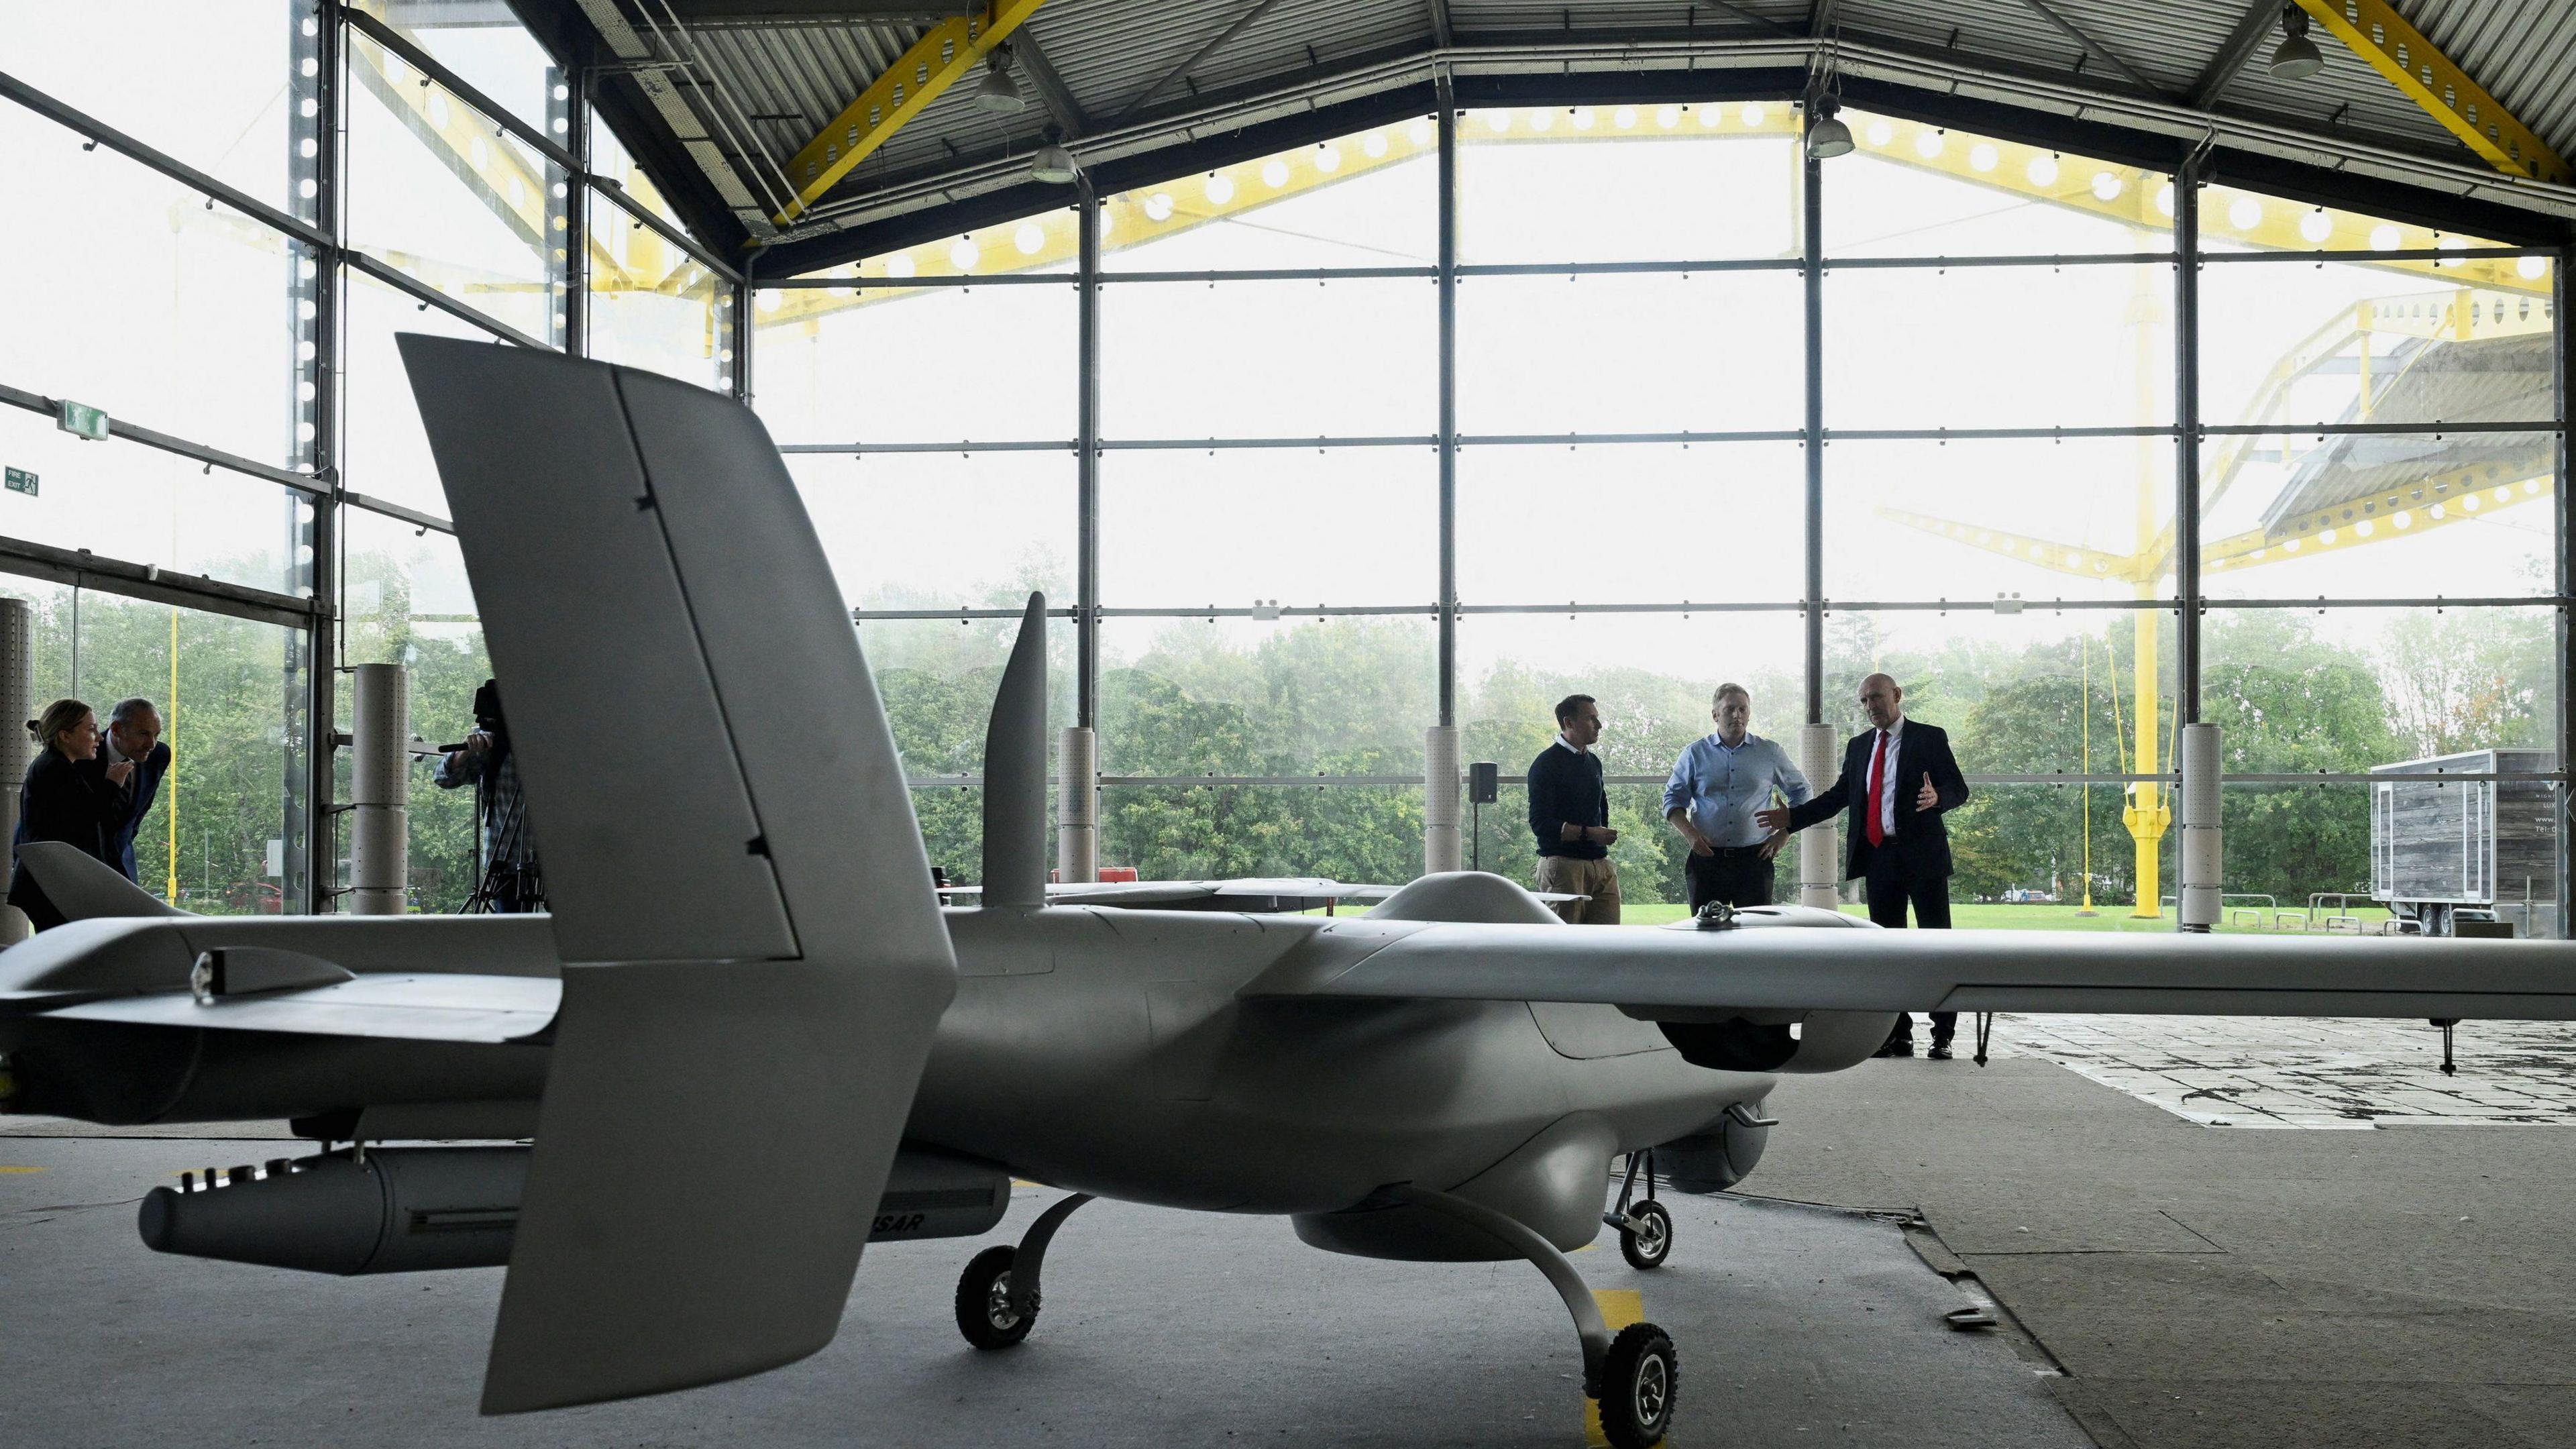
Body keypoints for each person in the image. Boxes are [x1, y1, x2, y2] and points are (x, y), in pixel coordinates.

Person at [1755, 673, 1970, 1059]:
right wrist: (1792, 820)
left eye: (1876, 697)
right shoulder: (1859, 747)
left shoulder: (1929, 737)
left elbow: (1959, 788)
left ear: (1896, 696)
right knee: (1888, 953)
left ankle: (1943, 1034)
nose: (1871, 706)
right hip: (1880, 857)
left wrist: (1939, 796)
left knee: (1938, 944)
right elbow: (1839, 796)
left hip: (1923, 857)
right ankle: (1898, 1033)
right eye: (1864, 701)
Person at [1662, 683, 1809, 912]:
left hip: (1755, 860)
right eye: (1730, 709)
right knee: (1706, 938)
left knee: (1755, 938)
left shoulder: (1770, 753)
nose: (1737, 715)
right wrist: (1690, 835)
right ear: (1715, 714)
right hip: (1707, 860)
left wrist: (1786, 832)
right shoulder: (1694, 754)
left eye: (1743, 709)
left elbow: (1802, 791)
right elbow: (1672, 799)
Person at [7, 699, 131, 931]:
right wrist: (112, 784)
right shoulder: (55, 769)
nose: (100, 738)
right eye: (91, 729)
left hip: (46, 882)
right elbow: (82, 820)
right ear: (65, 736)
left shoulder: (51, 766)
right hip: (50, 883)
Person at [434, 680, 541, 913]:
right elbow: (443, 778)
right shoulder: (491, 740)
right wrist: (466, 752)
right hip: (506, 859)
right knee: (510, 937)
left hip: (559, 859)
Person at [1527, 694, 1620, 924]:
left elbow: (1602, 805)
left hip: (1601, 864)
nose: (1599, 725)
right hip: (1563, 867)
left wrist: (1600, 835)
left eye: (1597, 718)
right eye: (1591, 719)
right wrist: (1591, 833)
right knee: (1566, 949)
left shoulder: (1594, 762)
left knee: (1608, 946)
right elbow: (1540, 824)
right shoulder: (1546, 764)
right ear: (1569, 723)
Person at [89, 697, 171, 884]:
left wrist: (125, 839)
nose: (151, 744)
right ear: (116, 729)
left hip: (124, 865)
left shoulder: (159, 755)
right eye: (143, 734)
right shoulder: (84, 756)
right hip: (81, 867)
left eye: (157, 734)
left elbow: (141, 808)